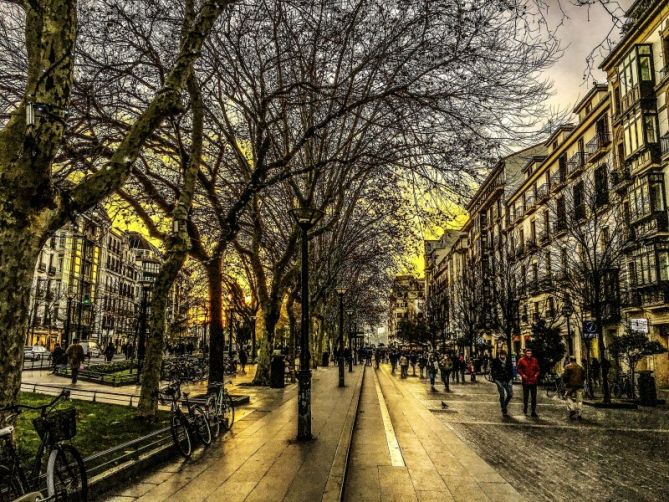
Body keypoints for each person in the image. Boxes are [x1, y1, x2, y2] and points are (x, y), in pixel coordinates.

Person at [516, 347, 540, 418]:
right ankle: (525, 409)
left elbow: (538, 369)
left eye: (530, 353)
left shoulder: (534, 360)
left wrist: (536, 375)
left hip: (533, 381)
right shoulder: (521, 360)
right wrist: (523, 375)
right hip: (525, 381)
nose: (529, 354)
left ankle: (533, 411)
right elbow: (518, 369)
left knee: (534, 397)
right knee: (526, 397)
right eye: (527, 353)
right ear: (525, 354)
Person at [491, 350, 514, 416]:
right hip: (499, 379)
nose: (502, 356)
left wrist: (511, 378)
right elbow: (493, 370)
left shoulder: (508, 361)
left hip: (507, 379)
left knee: (510, 394)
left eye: (504, 354)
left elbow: (510, 370)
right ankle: (504, 409)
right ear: (500, 355)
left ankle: (504, 405)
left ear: (505, 355)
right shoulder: (496, 361)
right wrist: (494, 378)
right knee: (502, 394)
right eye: (501, 354)